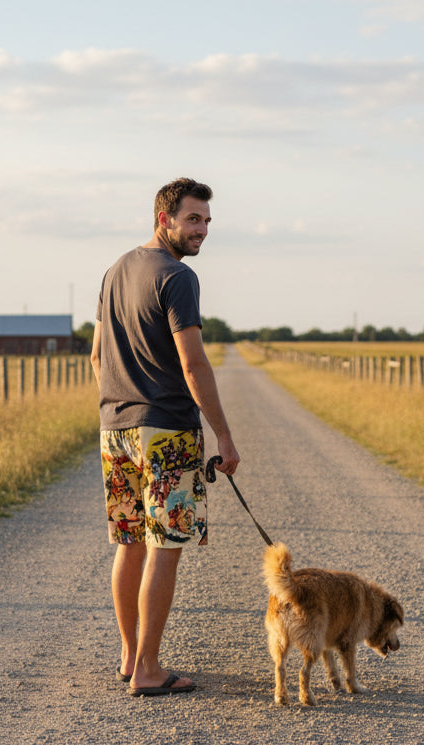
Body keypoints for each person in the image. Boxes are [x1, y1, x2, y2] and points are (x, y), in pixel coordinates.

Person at [90, 177, 241, 697]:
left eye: (206, 221)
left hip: (116, 430)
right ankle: (149, 670)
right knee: (163, 546)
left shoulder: (114, 271)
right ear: (165, 220)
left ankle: (130, 658)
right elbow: (193, 363)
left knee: (129, 543)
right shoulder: (177, 277)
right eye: (193, 219)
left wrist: (119, 403)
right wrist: (223, 434)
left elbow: (96, 356)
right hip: (166, 431)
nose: (201, 231)